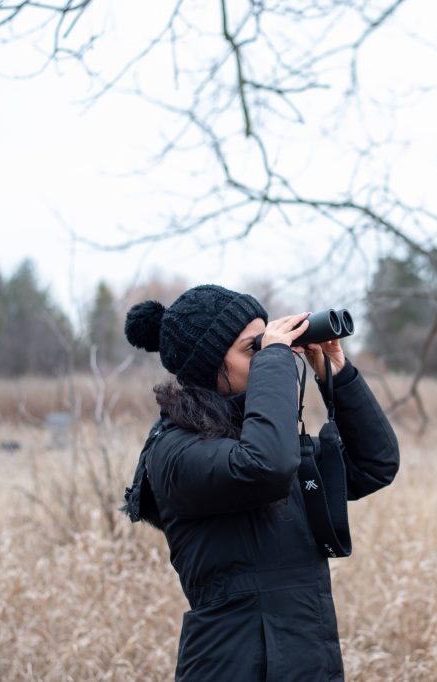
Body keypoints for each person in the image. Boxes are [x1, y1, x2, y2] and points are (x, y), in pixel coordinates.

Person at [120, 285, 399, 681]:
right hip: (231, 667)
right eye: (254, 348)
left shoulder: (267, 443)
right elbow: (265, 468)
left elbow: (374, 464)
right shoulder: (176, 453)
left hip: (308, 660)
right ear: (210, 365)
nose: (270, 355)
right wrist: (276, 360)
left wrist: (337, 376)